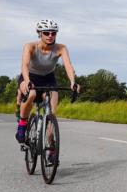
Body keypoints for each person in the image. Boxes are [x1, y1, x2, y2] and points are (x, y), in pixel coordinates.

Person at [15, 19, 80, 163]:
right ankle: (22, 125)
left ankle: (51, 149)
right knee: (31, 94)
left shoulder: (61, 48)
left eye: (53, 33)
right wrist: (26, 80)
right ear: (40, 33)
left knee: (51, 114)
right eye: (46, 33)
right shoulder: (30, 46)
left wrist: (73, 82)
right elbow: (24, 65)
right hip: (30, 76)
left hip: (48, 79)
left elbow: (68, 66)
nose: (50, 35)